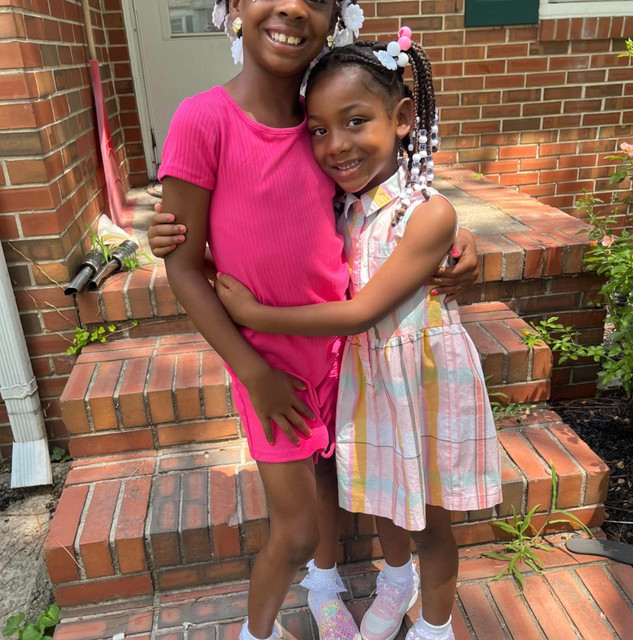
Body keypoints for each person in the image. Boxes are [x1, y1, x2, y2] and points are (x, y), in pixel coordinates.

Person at [150, 0, 480, 637]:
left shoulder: (321, 118)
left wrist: (458, 242)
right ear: (234, 7)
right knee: (297, 527)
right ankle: (284, 610)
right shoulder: (205, 118)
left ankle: (329, 586)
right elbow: (185, 265)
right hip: (270, 363)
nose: (292, 6)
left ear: (336, 15)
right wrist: (254, 373)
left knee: (336, 471)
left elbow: (385, 202)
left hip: (346, 359)